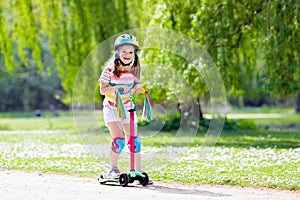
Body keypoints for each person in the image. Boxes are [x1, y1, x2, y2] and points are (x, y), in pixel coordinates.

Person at [99, 34, 152, 184]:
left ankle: (138, 171)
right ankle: (113, 169)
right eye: (124, 52)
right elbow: (103, 90)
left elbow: (135, 84)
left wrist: (139, 88)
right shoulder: (109, 70)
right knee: (119, 141)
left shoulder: (134, 70)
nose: (127, 55)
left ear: (134, 54)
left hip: (128, 109)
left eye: (131, 52)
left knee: (134, 141)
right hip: (112, 109)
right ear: (117, 53)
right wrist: (116, 89)